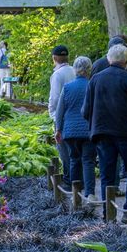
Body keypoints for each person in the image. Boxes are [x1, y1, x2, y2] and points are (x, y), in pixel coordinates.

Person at [83, 46, 127, 220]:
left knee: (106, 175)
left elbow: (85, 110)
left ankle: (108, 213)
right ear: (126, 61)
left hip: (102, 133)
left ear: (109, 59)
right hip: (126, 134)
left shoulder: (95, 79)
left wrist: (94, 123)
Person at [55, 57, 97, 201]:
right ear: (89, 69)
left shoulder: (67, 87)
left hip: (70, 131)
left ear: (75, 69)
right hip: (88, 130)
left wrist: (58, 129)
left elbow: (60, 111)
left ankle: (75, 193)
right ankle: (90, 193)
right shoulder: (92, 85)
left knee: (74, 160)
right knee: (88, 161)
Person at [49, 45, 77, 190]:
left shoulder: (57, 75)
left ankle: (68, 180)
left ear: (54, 58)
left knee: (64, 151)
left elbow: (54, 99)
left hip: (63, 117)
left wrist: (54, 117)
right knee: (76, 151)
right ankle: (79, 180)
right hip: (78, 117)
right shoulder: (75, 70)